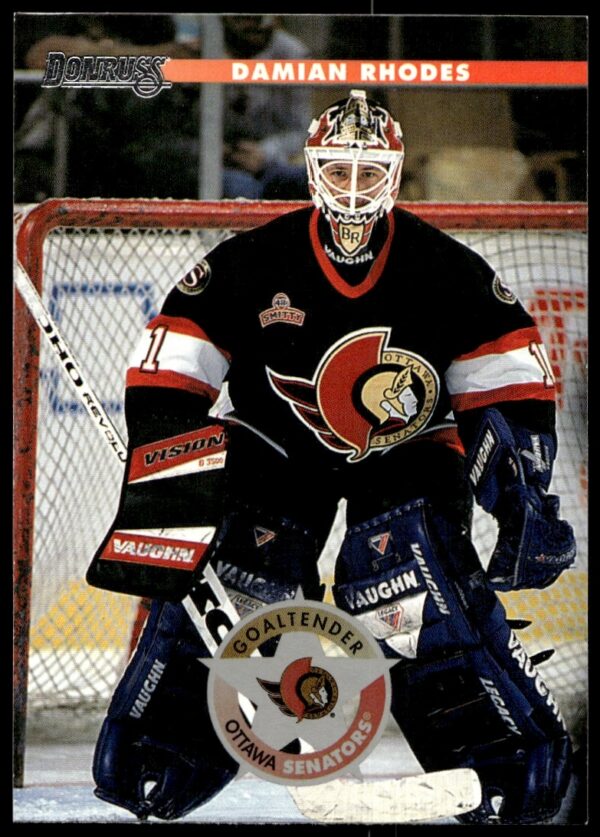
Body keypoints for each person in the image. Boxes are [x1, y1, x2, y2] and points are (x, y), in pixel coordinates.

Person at [86, 90, 577, 824]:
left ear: (396, 172)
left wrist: (522, 493)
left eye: (368, 171)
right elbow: (170, 366)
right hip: (278, 453)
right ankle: (163, 741)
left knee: (403, 586)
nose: (352, 189)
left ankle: (506, 754)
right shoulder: (256, 260)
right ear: (313, 170)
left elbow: (511, 383)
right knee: (242, 580)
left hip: (407, 455)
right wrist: (170, 475)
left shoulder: (445, 269)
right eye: (338, 171)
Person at [220, 15, 311, 199]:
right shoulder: (202, 49)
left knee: (307, 179)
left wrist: (264, 153)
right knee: (241, 189)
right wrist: (224, 152)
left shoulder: (293, 54)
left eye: (260, 19)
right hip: (218, 161)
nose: (254, 24)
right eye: (244, 19)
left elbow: (300, 130)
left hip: (271, 158)